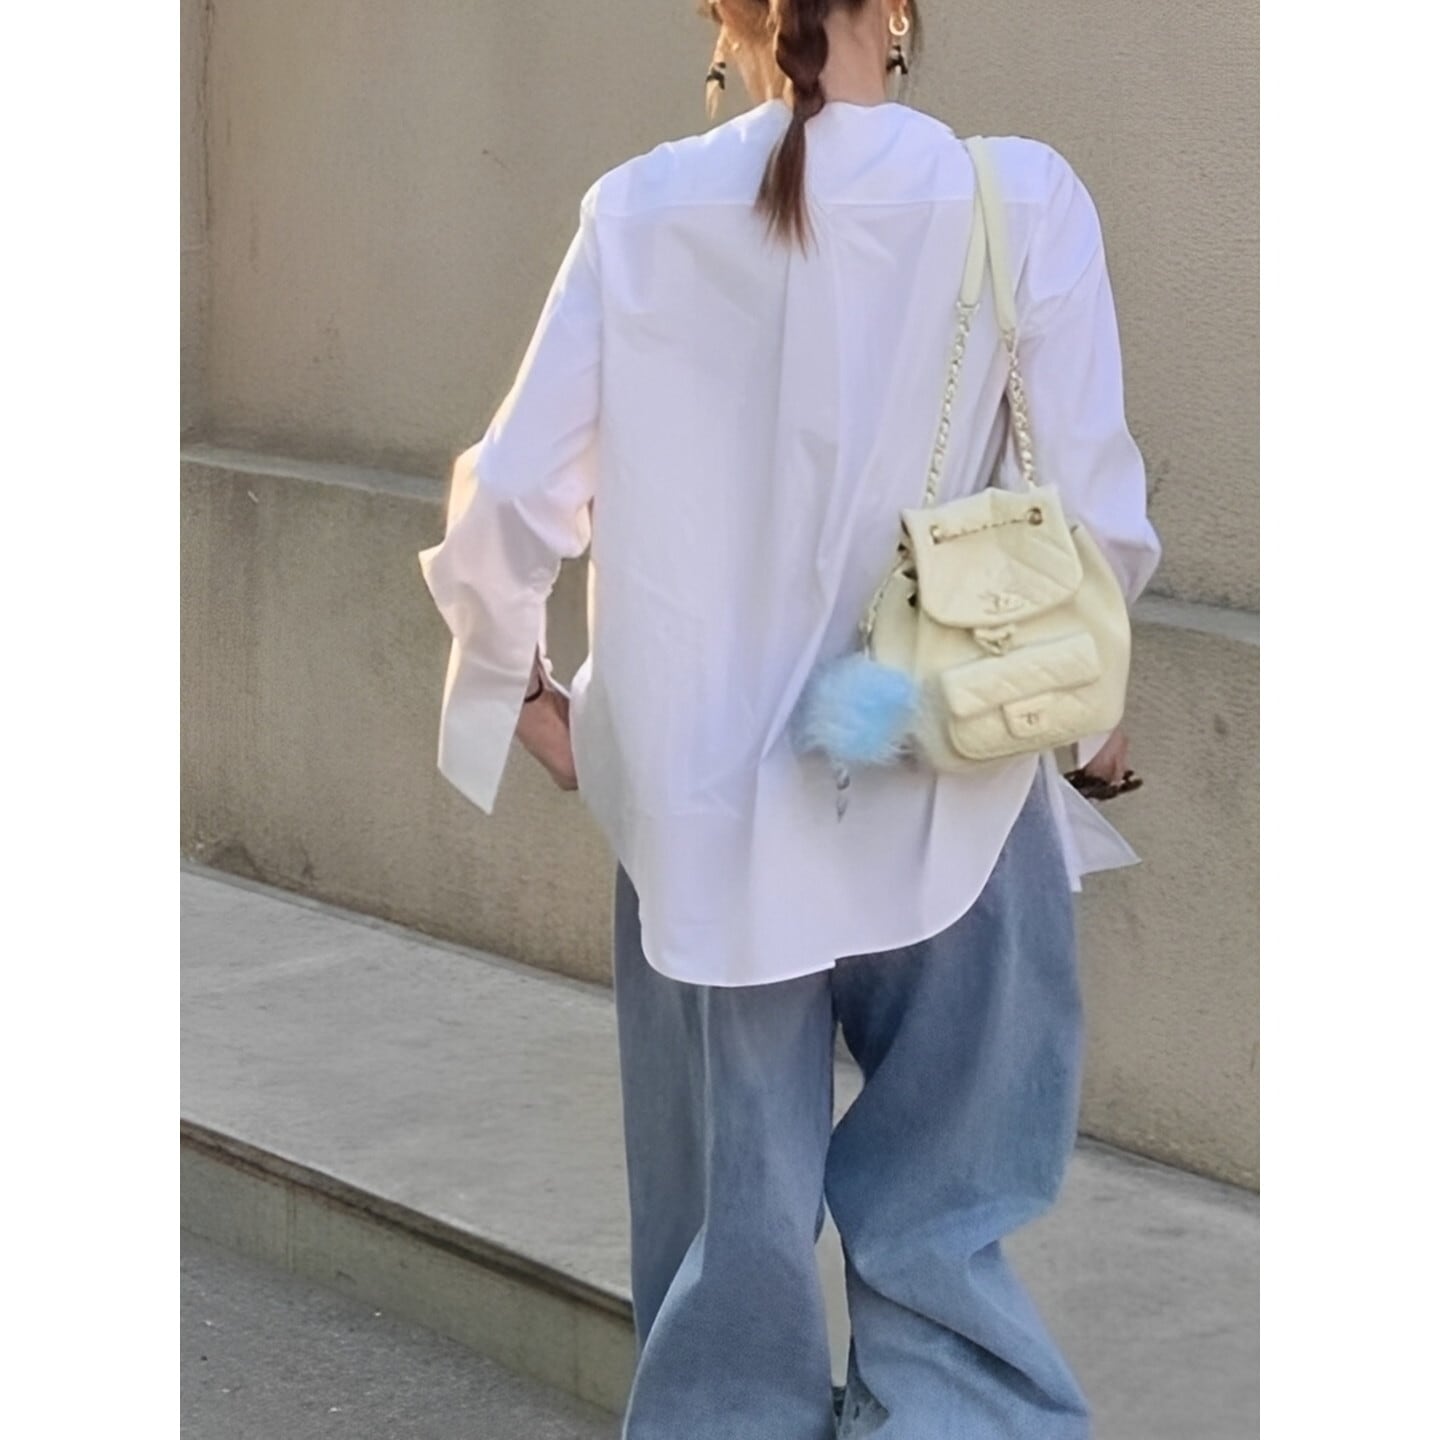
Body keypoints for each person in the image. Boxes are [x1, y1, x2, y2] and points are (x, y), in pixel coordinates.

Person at [418, 2, 1161, 1435]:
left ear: (728, 19)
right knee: (946, 1220)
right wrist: (1084, 715)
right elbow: (1092, 524)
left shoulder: (641, 212)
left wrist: (514, 684)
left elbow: (511, 496)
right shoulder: (1019, 199)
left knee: (730, 1238)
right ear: (901, 9)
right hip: (953, 780)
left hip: (705, 816)